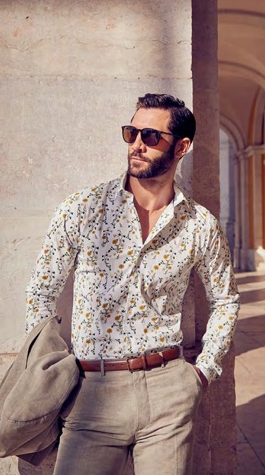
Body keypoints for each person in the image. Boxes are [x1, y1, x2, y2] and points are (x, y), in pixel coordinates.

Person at [24, 93, 240, 474]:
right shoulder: (83, 208)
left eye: (151, 136)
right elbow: (41, 290)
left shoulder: (199, 224)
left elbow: (225, 300)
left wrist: (202, 373)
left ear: (181, 146)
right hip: (90, 395)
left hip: (168, 393)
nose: (137, 144)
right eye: (131, 132)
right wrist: (51, 371)